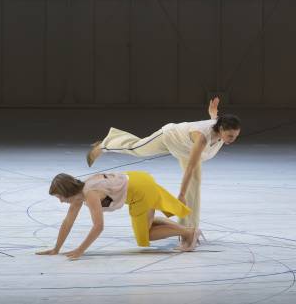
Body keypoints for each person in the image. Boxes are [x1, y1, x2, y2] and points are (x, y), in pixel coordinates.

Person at [85, 98, 241, 237]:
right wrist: (180, 193)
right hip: (169, 137)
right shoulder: (202, 138)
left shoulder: (220, 129)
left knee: (195, 183)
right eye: (230, 136)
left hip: (185, 149)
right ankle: (104, 145)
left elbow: (215, 120)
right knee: (137, 149)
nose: (232, 140)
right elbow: (191, 167)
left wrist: (213, 113)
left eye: (235, 136)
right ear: (221, 129)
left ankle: (188, 230)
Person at [36, 171, 197, 260]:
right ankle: (188, 230)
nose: (60, 201)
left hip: (141, 191)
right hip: (138, 179)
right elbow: (68, 221)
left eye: (60, 197)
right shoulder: (80, 193)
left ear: (66, 192)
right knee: (145, 224)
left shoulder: (89, 193)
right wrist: (56, 249)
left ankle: (189, 232)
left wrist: (80, 250)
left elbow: (98, 227)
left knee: (145, 236)